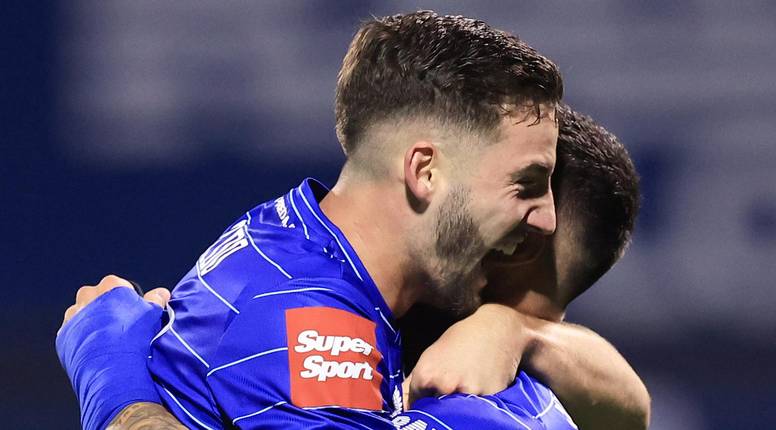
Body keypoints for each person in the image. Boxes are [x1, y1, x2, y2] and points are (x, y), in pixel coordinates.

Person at [56, 11, 647, 430]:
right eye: (527, 184)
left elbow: (627, 410)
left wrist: (515, 332)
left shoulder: (317, 241)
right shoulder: (304, 317)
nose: (543, 219)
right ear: (426, 171)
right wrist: (117, 395)